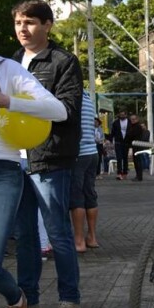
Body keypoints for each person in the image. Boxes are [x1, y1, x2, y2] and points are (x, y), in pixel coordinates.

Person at [12, 0, 85, 308]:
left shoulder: (63, 62)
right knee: (25, 234)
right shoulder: (11, 63)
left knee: (57, 233)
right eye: (18, 23)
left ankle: (70, 301)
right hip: (14, 159)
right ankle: (29, 301)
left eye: (29, 22)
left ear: (47, 25)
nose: (23, 29)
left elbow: (67, 109)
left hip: (51, 157)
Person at [0, 54, 66, 308]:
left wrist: (7, 101)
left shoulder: (5, 70)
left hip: (2, 172)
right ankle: (16, 296)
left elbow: (58, 110)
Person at [70, 92, 100, 252]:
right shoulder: (87, 97)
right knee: (90, 194)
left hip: (78, 153)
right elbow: (94, 123)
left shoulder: (70, 96)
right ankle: (92, 237)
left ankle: (79, 240)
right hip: (92, 152)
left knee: (76, 197)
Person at [109, 111, 131, 180]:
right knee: (119, 158)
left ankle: (125, 172)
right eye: (120, 115)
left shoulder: (129, 122)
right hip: (118, 142)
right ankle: (119, 173)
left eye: (123, 115)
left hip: (126, 142)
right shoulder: (116, 123)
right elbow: (112, 132)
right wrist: (110, 140)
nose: (121, 116)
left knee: (125, 158)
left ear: (126, 115)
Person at [127, 114, 145, 182]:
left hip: (137, 145)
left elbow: (133, 135)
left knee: (138, 161)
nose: (132, 120)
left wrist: (129, 135)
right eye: (131, 119)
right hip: (135, 145)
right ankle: (138, 175)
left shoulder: (137, 126)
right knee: (136, 161)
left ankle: (139, 176)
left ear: (137, 119)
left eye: (134, 119)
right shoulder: (133, 126)